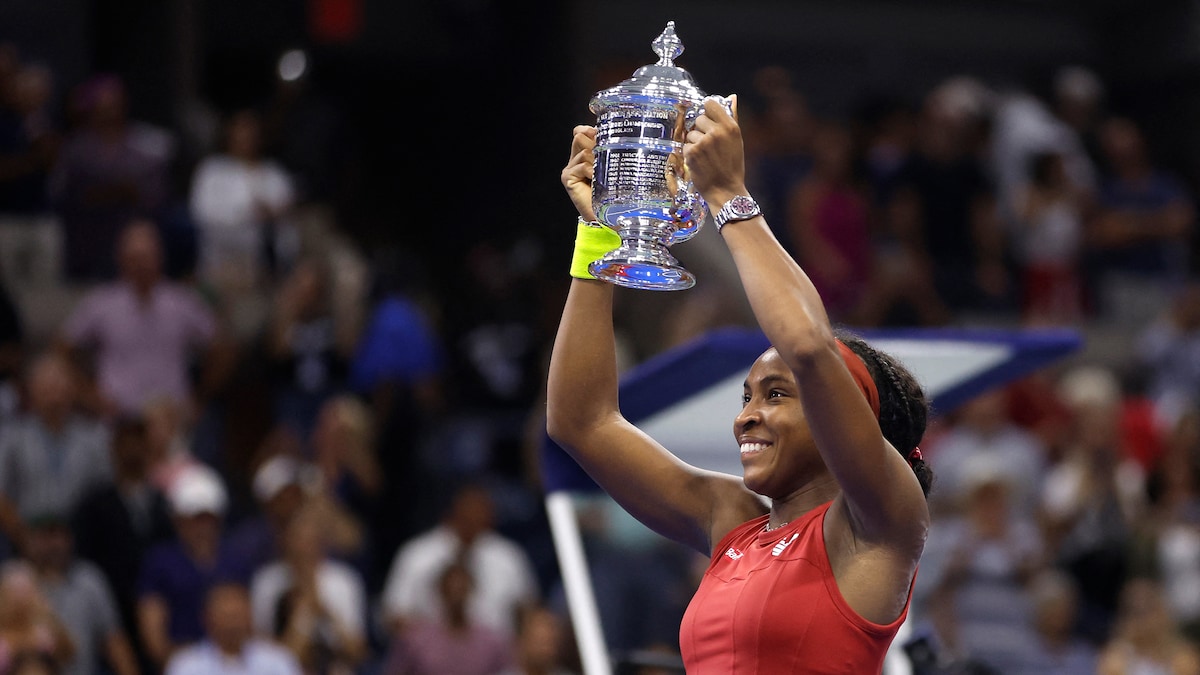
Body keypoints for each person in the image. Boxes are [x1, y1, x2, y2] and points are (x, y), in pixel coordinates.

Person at [546, 96, 933, 672]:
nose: (746, 415)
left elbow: (806, 346)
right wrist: (600, 232)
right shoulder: (733, 520)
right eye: (747, 395)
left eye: (776, 394)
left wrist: (728, 194)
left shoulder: (880, 519)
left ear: (848, 413)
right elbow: (581, 422)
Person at [164, 582, 301, 675]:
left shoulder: (276, 660)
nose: (233, 625)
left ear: (250, 617)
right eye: (226, 617)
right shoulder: (186, 665)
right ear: (207, 619)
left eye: (237, 616)